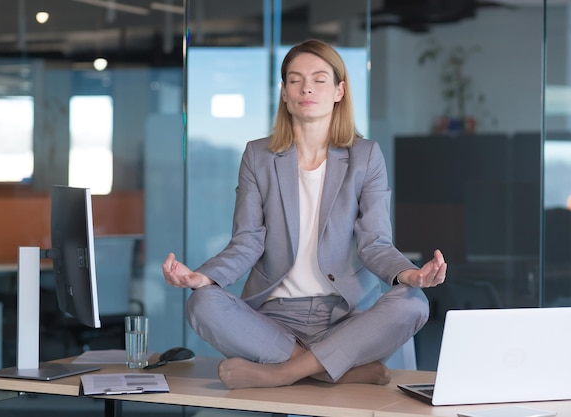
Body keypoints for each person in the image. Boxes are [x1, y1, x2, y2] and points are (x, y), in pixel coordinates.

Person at [162, 39, 447, 389]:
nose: (306, 87)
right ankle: (342, 370)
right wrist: (204, 277)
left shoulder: (366, 156)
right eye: (295, 80)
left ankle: (283, 372)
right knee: (201, 304)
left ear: (339, 90)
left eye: (319, 79)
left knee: (413, 303)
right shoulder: (258, 156)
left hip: (345, 315)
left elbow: (375, 243)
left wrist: (409, 274)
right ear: (284, 92)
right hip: (275, 317)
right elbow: (247, 241)